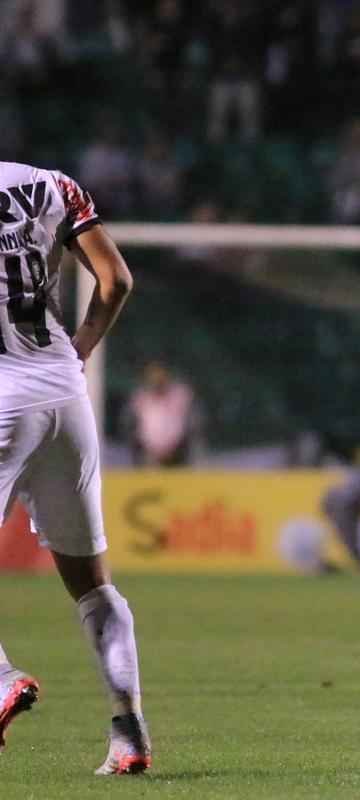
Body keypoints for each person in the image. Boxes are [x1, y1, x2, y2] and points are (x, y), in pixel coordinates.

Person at [0, 161, 150, 773]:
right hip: (63, 391)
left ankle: (2, 680)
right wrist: (81, 350)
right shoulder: (50, 184)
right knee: (92, 582)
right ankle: (129, 735)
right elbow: (115, 281)